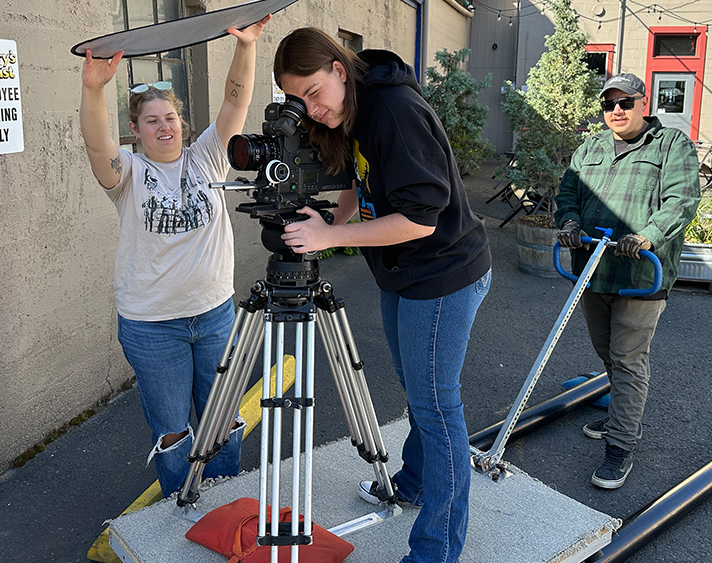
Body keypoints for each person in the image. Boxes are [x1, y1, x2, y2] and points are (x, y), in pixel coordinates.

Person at [273, 27, 492, 563]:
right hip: (404, 274)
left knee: (436, 405)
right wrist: (332, 223)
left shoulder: (393, 110)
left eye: (314, 93)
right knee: (420, 391)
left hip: (443, 274)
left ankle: (436, 551)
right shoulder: (355, 107)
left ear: (339, 69)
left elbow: (420, 220)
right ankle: (414, 482)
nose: (311, 110)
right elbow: (358, 182)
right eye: (298, 100)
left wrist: (331, 237)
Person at [78, 14, 271, 497]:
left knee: (222, 420)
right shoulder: (127, 175)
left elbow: (234, 102)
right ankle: (180, 509)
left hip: (214, 315)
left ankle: (224, 501)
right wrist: (94, 89)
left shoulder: (207, 157)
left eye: (170, 118)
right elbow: (97, 145)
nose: (164, 127)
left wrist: (246, 47)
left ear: (181, 122)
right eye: (152, 120)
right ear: (135, 129)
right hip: (152, 326)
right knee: (172, 432)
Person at [553, 72, 699, 490]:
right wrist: (569, 221)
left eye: (625, 102)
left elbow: (681, 201)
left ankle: (620, 445)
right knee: (607, 352)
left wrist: (648, 235)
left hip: (640, 275)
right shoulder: (591, 147)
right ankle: (622, 416)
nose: (616, 110)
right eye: (608, 104)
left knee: (628, 359)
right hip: (593, 270)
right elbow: (568, 193)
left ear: (642, 102)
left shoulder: (671, 145)